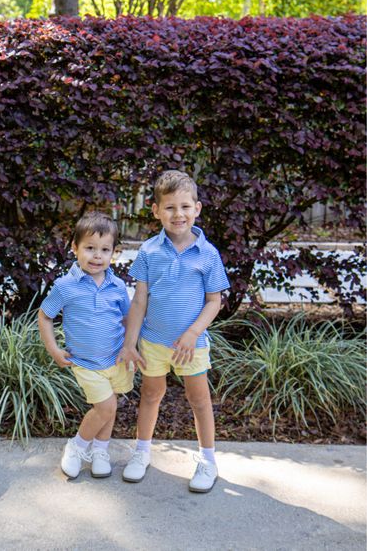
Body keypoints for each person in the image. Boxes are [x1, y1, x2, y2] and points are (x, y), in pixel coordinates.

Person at [118, 170, 230, 493]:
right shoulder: (149, 252)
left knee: (199, 399)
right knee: (151, 395)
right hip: (153, 342)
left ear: (197, 208)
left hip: (191, 345)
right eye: (169, 207)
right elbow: (139, 301)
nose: (177, 214)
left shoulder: (207, 255)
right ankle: (141, 452)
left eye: (184, 206)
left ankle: (208, 459)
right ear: (156, 211)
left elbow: (214, 301)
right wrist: (130, 343)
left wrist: (193, 333)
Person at [38, 211, 133, 480]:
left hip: (115, 359)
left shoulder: (117, 286)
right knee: (104, 407)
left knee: (111, 405)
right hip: (85, 362)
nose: (97, 256)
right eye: (89, 248)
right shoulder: (66, 286)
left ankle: (100, 451)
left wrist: (129, 347)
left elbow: (127, 319)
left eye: (105, 250)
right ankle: (78, 446)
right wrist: (54, 350)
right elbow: (45, 316)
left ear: (114, 253)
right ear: (75, 248)